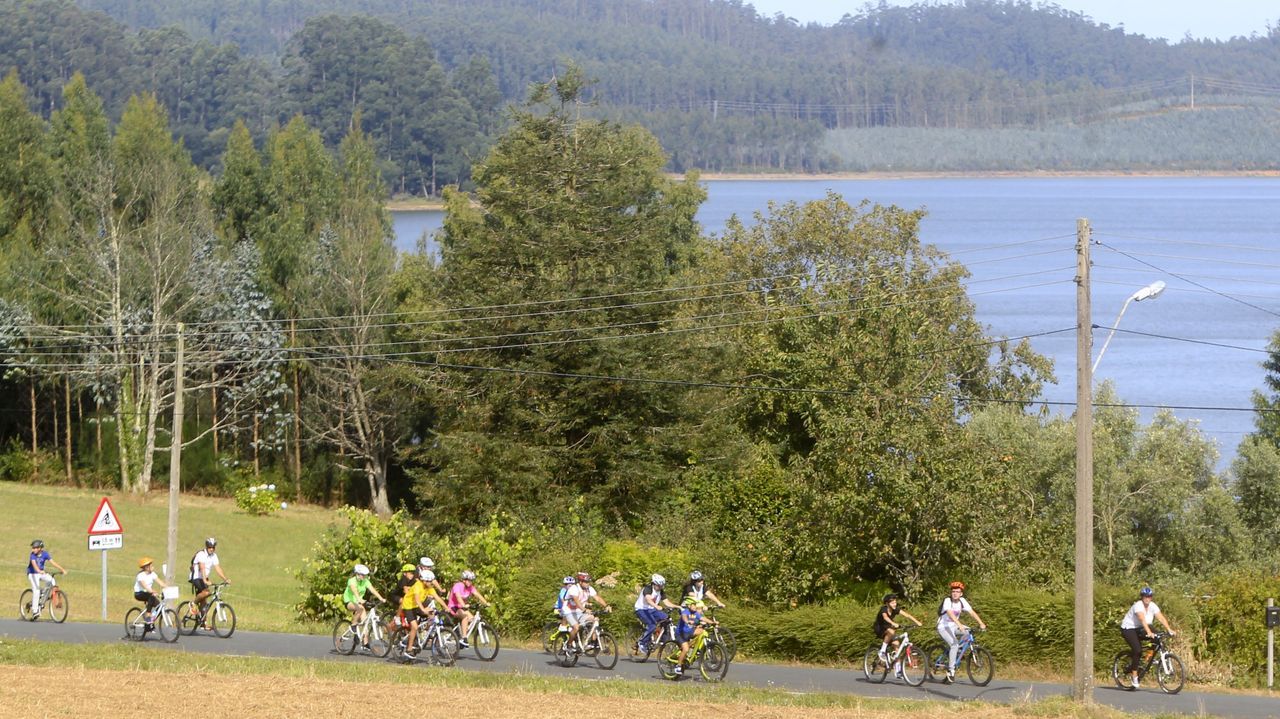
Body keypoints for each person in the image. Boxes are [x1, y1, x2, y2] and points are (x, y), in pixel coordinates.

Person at [1120, 586, 1175, 689]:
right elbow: (1142, 619)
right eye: (1145, 596)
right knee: (1137, 650)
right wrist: (1149, 632)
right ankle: (1134, 675)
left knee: (1158, 638)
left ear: (1151, 597)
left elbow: (1161, 618)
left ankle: (1148, 658)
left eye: (1149, 596)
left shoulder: (1153, 606)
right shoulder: (1138, 606)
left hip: (1141, 628)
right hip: (1129, 629)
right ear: (1142, 597)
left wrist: (1169, 629)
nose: (1147, 598)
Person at [936, 581, 986, 683]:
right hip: (943, 627)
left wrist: (981, 623)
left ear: (961, 593)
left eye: (957, 592)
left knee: (968, 633)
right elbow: (950, 613)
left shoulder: (962, 601)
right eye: (953, 591)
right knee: (954, 644)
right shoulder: (947, 600)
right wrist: (959, 625)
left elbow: (971, 612)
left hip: (954, 626)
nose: (955, 593)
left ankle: (956, 651)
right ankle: (951, 670)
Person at [562, 572, 611, 652]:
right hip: (569, 611)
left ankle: (592, 642)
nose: (588, 584)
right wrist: (584, 610)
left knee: (594, 620)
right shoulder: (574, 588)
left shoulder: (589, 589)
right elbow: (576, 601)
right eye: (586, 582)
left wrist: (606, 606)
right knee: (576, 627)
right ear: (580, 582)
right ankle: (569, 645)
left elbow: (597, 598)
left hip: (580, 611)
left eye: (588, 582)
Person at [187, 537, 229, 621]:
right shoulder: (201, 554)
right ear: (207, 547)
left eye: (213, 547)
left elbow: (218, 568)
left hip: (204, 577)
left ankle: (203, 624)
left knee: (203, 600)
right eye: (210, 547)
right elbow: (202, 568)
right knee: (206, 592)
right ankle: (193, 603)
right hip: (196, 577)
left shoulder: (214, 556)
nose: (212, 549)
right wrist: (205, 580)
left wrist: (225, 579)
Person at [874, 593, 922, 665]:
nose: (895, 604)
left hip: (889, 629)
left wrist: (917, 622)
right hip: (880, 628)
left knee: (897, 644)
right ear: (887, 603)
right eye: (892, 603)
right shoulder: (883, 609)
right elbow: (885, 617)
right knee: (892, 631)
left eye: (895, 602)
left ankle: (898, 669)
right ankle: (882, 651)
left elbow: (907, 615)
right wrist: (893, 623)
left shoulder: (895, 609)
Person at [634, 573, 679, 651]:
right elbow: (648, 600)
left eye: (662, 586)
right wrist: (656, 606)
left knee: (666, 619)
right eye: (659, 585)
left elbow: (667, 602)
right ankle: (642, 642)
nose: (660, 587)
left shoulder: (661, 591)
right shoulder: (648, 589)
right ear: (654, 584)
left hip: (652, 609)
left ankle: (663, 640)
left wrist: (678, 607)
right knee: (652, 625)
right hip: (641, 609)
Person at [448, 569, 492, 648]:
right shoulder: (457, 586)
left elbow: (477, 595)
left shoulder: (470, 587)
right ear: (464, 580)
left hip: (462, 607)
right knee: (465, 617)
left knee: (473, 620)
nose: (470, 582)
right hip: (453, 607)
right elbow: (458, 597)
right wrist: (463, 605)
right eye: (469, 580)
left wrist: (486, 603)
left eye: (471, 580)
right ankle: (464, 639)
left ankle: (460, 634)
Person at [395, 564, 431, 660]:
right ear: (405, 573)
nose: (412, 575)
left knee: (427, 614)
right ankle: (397, 617)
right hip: (398, 597)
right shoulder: (404, 580)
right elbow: (407, 592)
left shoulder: (415, 580)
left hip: (412, 603)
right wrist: (415, 592)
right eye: (410, 573)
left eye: (413, 573)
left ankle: (419, 635)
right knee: (402, 601)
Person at [673, 598, 717, 676]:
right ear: (689, 605)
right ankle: (678, 666)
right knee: (686, 649)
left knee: (702, 632)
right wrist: (687, 621)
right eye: (693, 605)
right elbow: (684, 617)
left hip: (690, 632)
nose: (695, 606)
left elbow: (703, 618)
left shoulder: (695, 613)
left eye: (695, 605)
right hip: (681, 634)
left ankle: (697, 648)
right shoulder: (685, 611)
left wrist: (712, 622)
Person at [27, 539, 66, 617]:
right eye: (33, 548)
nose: (33, 549)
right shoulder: (32, 555)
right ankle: (35, 611)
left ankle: (44, 598)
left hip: (41, 573)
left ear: (40, 548)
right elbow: (34, 564)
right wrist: (39, 570)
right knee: (36, 591)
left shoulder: (45, 554)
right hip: (32, 574)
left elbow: (53, 562)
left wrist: (62, 569)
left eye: (35, 548)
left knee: (52, 580)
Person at [343, 564, 386, 634]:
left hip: (359, 602)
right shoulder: (351, 581)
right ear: (357, 574)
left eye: (365, 575)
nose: (364, 576)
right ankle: (353, 625)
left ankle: (365, 644)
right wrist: (359, 599)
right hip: (349, 601)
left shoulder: (365, 581)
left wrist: (381, 598)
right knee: (360, 608)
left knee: (365, 624)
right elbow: (355, 591)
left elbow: (372, 590)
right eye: (362, 575)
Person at [133, 557, 169, 627]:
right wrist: (152, 591)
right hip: (139, 593)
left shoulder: (153, 574)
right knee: (151, 597)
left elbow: (160, 583)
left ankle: (149, 623)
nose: (153, 566)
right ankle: (148, 617)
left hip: (148, 593)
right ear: (146, 567)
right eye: (151, 565)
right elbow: (145, 586)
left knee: (159, 607)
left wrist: (168, 587)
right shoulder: (140, 576)